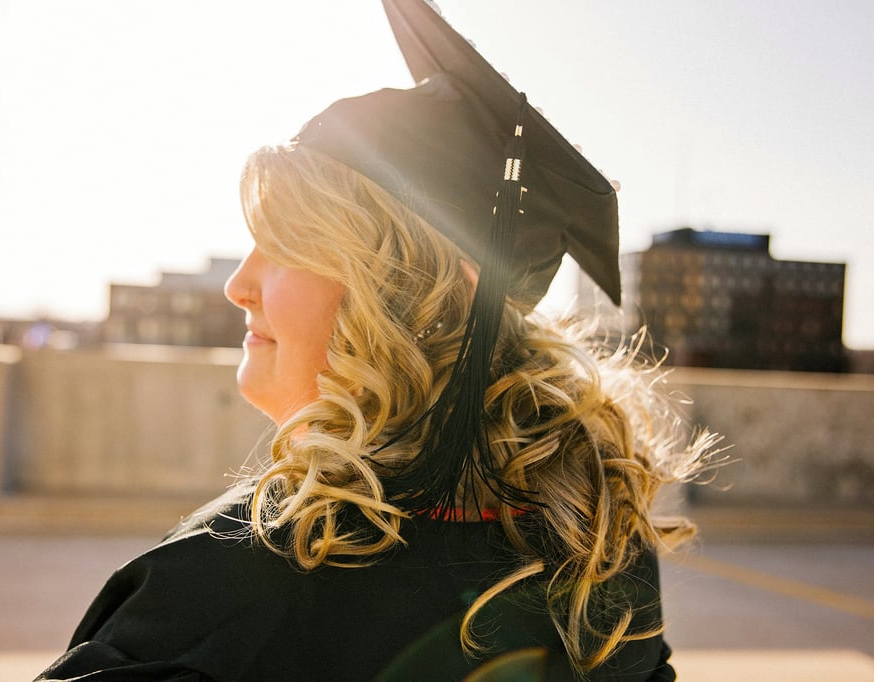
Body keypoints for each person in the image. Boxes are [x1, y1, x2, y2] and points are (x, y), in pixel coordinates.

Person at [37, 1, 716, 680]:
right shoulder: (602, 550)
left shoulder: (235, 587)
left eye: (285, 246)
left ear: (419, 295)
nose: (238, 285)